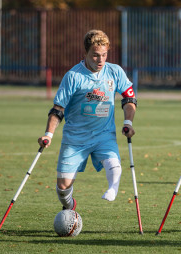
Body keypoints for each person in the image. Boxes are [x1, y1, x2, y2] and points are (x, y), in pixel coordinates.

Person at [38, 29, 137, 211]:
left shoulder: (115, 72)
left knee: (113, 163)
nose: (100, 60)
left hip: (104, 134)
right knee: (62, 187)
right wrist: (48, 134)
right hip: (75, 138)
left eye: (104, 55)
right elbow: (58, 109)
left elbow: (129, 98)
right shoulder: (73, 76)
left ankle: (112, 188)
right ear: (85, 53)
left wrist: (128, 123)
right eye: (95, 56)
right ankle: (70, 207)